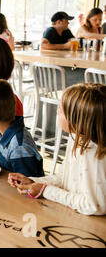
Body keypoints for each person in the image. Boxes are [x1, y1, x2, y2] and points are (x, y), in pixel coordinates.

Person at [8, 83, 106, 216]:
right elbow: (63, 178)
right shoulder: (75, 138)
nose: (57, 111)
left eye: (61, 110)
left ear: (77, 120)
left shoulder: (93, 153)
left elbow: (94, 206)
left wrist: (45, 191)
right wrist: (34, 182)